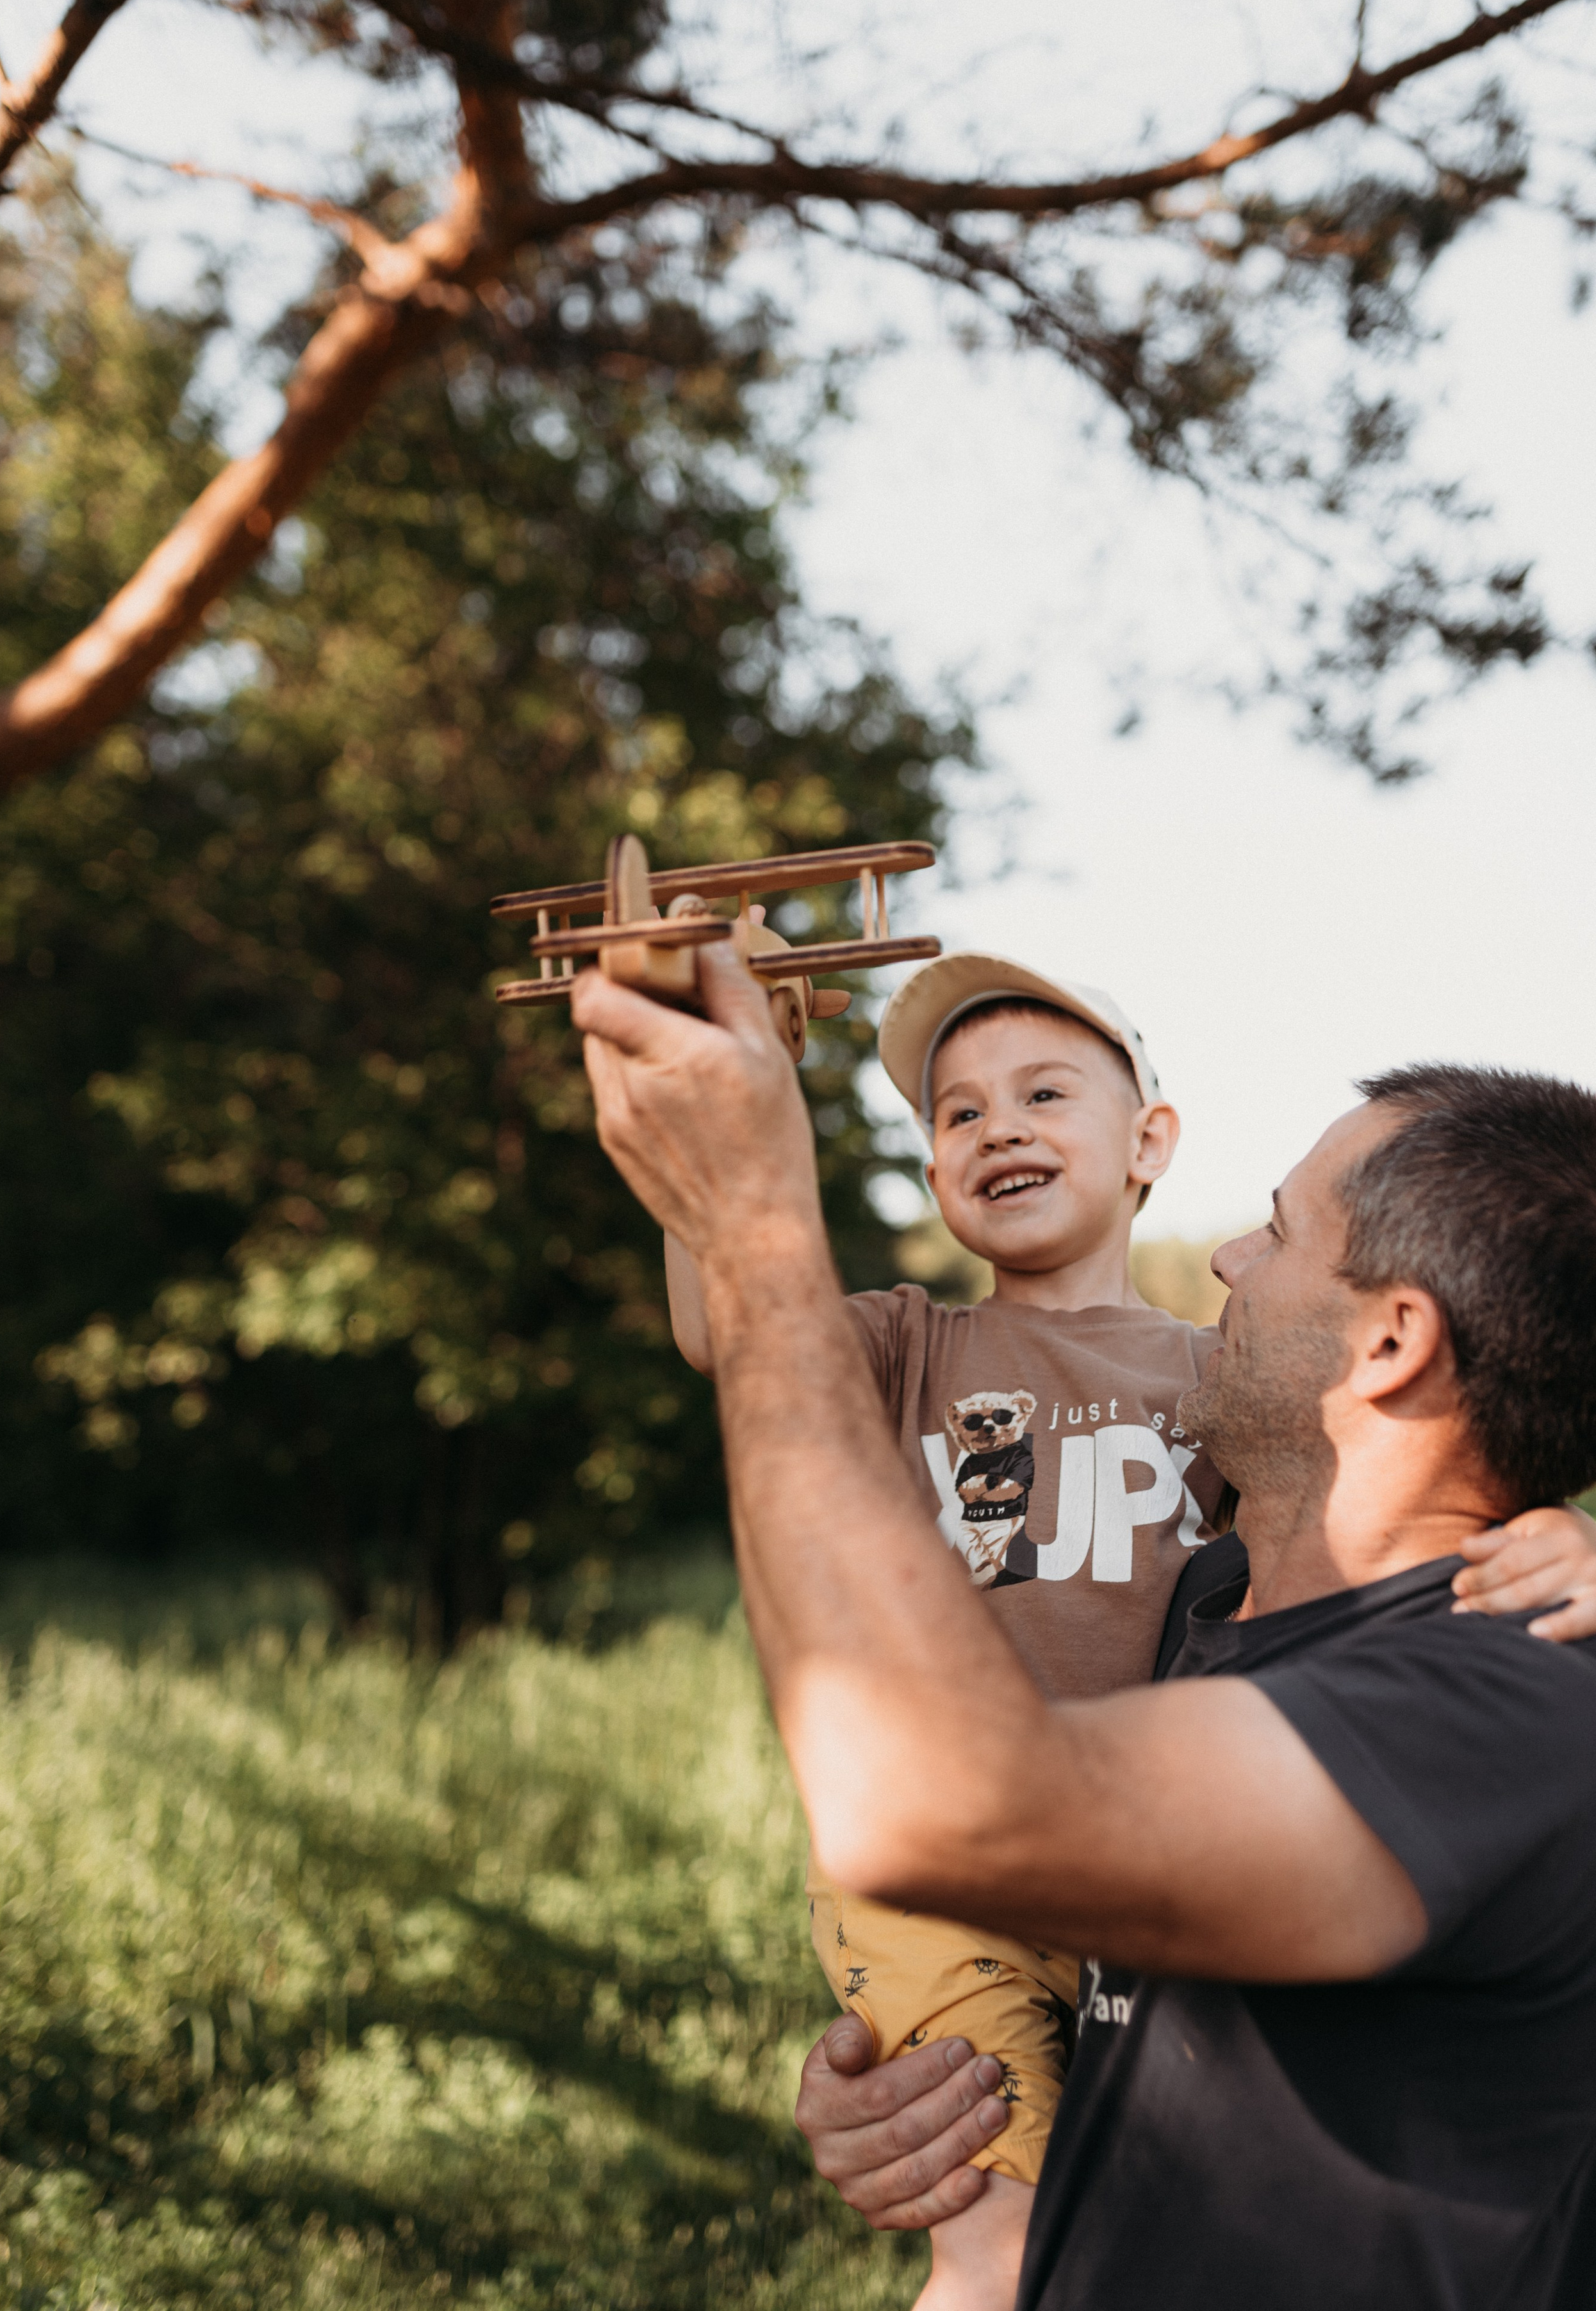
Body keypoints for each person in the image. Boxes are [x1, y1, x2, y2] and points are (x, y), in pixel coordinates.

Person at [573, 939, 1596, 2310]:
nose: (1230, 1254)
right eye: (957, 1113)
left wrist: (756, 1214)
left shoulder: (1503, 1696)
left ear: (1389, 1342)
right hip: (991, 1917)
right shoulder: (1210, 1607)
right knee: (984, 2222)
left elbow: (935, 1807)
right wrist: (914, 2115)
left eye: (1279, 1231)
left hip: (972, 1816)